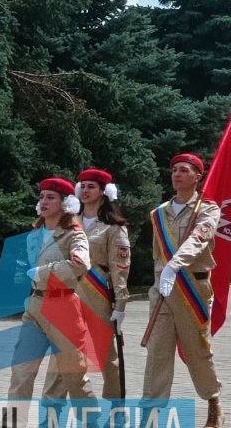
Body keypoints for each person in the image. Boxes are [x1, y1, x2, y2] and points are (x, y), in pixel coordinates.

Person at [146, 152, 224, 428]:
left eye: (184, 170)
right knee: (157, 351)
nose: (177, 174)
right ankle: (152, 414)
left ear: (197, 177)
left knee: (196, 351)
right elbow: (157, 254)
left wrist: (175, 265)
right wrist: (161, 276)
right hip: (164, 291)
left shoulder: (208, 209)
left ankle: (212, 400)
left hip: (193, 288)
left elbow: (199, 239)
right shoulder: (158, 213)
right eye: (174, 170)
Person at [7, 177, 96, 402]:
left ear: (65, 203)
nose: (44, 201)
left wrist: (42, 272)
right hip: (35, 307)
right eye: (42, 197)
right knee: (21, 374)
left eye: (51, 197)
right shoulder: (34, 234)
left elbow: (81, 263)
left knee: (74, 378)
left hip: (63, 307)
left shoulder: (73, 233)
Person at [70, 168, 131, 399]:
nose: (85, 191)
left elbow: (120, 267)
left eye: (91, 186)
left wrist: (120, 304)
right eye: (82, 186)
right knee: (68, 352)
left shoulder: (113, 226)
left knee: (106, 354)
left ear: (104, 192)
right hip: (69, 293)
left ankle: (114, 405)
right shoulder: (69, 223)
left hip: (97, 293)